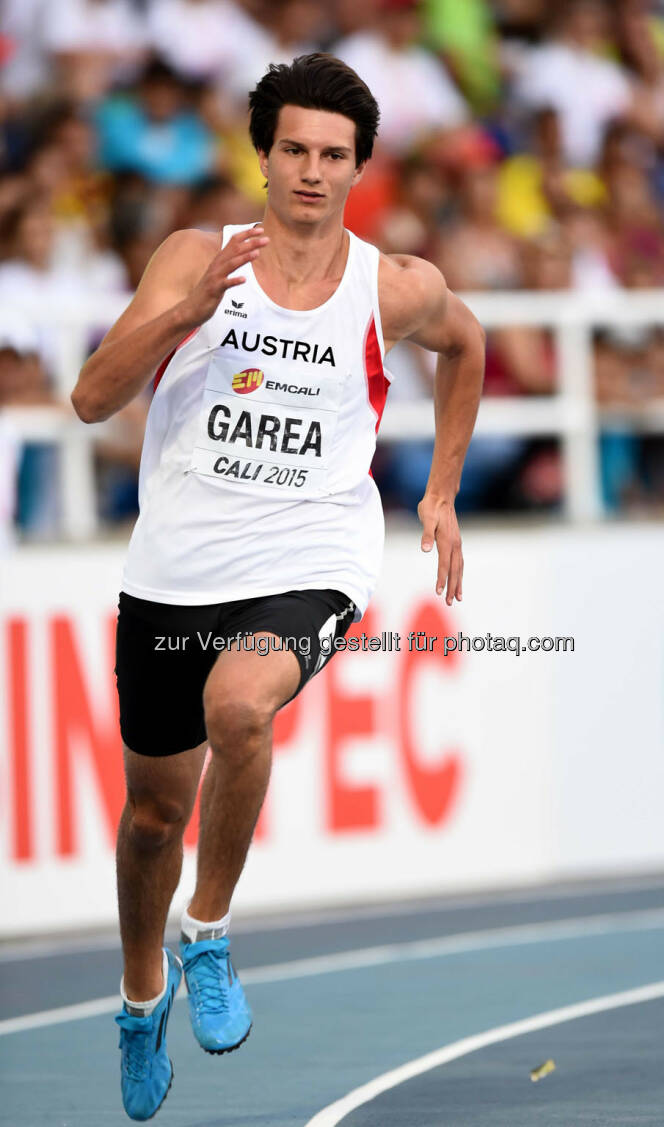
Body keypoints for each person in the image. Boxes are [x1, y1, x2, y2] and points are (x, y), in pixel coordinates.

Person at [71, 52, 484, 1122]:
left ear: (359, 168)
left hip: (312, 549)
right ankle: (137, 994)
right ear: (263, 155)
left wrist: (440, 491)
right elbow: (90, 397)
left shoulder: (391, 283)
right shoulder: (197, 257)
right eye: (294, 149)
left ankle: (206, 931)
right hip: (177, 564)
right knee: (153, 814)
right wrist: (184, 313)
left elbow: (469, 341)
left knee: (239, 706)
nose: (311, 171)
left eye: (333, 155)